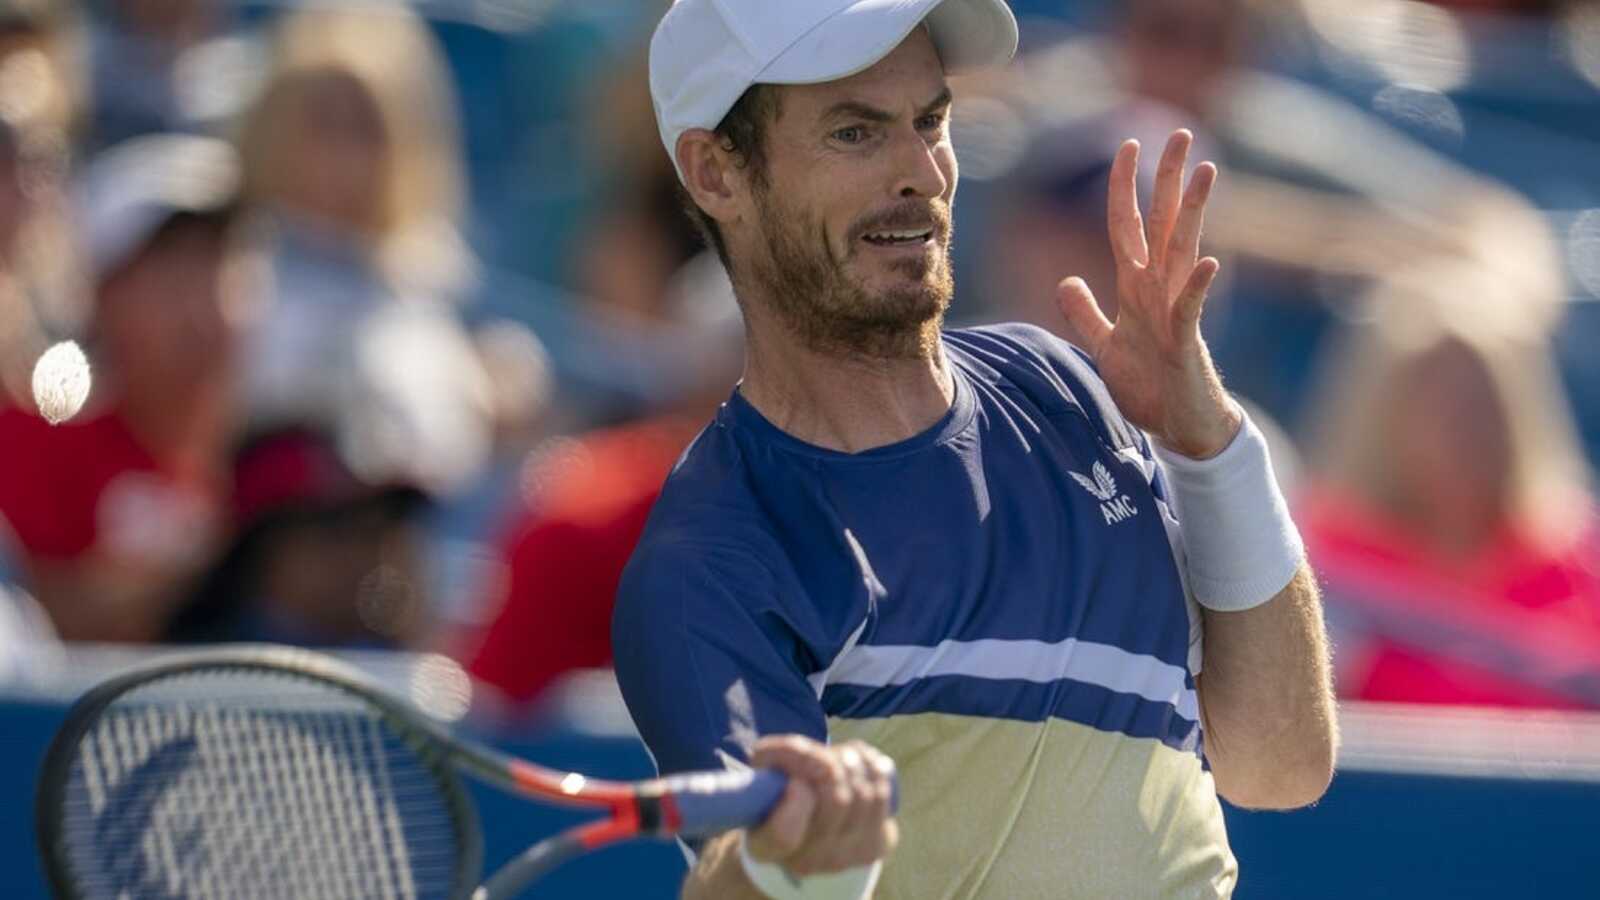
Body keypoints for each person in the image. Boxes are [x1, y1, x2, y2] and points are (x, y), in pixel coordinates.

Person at [612, 2, 1336, 899]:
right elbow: (739, 872)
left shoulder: (1067, 391)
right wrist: (797, 861)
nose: (921, 171)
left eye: (931, 120)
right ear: (717, 173)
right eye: (853, 133)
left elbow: (1281, 763)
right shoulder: (708, 566)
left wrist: (1211, 448)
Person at [1298, 264, 1600, 708]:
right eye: (1435, 404)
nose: (1461, 427)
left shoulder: (1578, 565)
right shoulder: (1324, 567)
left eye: (1479, 400)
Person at [0, 133, 242, 642]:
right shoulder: (34, 440)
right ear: (101, 297)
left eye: (217, 265)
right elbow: (42, 626)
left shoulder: (266, 459)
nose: (201, 307)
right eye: (170, 272)